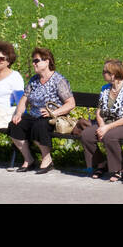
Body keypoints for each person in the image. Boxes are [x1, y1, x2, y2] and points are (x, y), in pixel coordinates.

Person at [7, 46, 75, 174]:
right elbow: (24, 99)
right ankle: (29, 159)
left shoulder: (58, 80)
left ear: (47, 61)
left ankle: (47, 158)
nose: (33, 63)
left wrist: (54, 112)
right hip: (34, 114)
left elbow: (71, 103)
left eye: (36, 61)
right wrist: (19, 113)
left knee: (39, 126)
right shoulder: (34, 80)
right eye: (33, 61)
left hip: (52, 117)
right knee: (15, 125)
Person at [79, 59, 123, 182]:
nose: (103, 74)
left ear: (113, 75)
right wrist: (102, 126)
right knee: (86, 135)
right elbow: (99, 112)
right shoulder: (105, 89)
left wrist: (107, 128)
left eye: (105, 72)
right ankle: (101, 164)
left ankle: (121, 168)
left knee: (110, 136)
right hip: (106, 124)